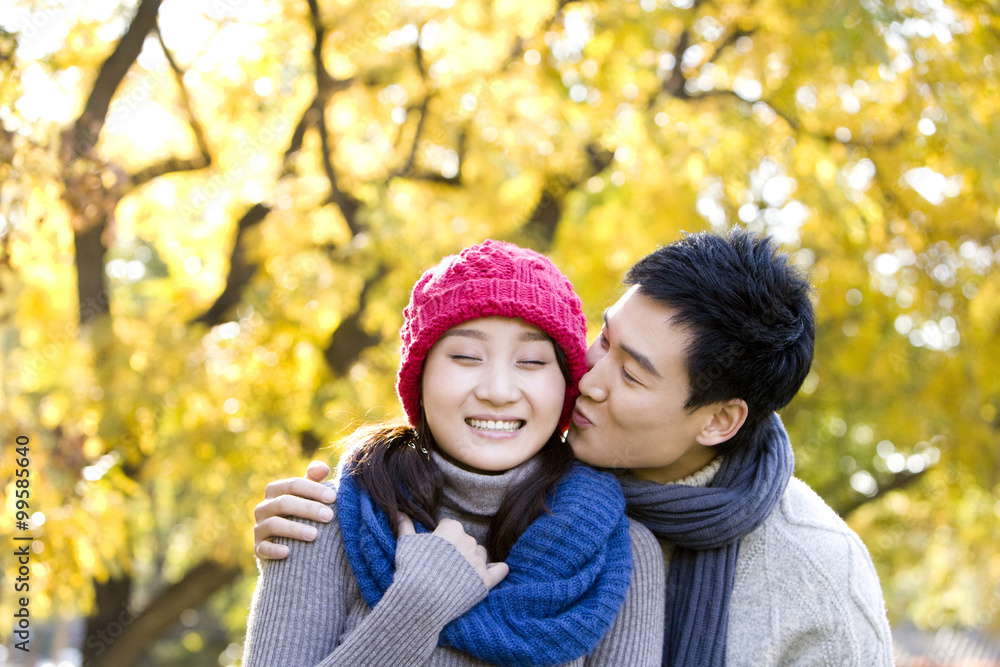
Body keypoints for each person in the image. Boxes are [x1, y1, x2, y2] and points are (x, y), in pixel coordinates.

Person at [253, 229, 895, 666]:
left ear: (718, 421)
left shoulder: (812, 573)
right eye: (603, 340)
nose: (587, 378)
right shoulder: (343, 511)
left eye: (633, 373)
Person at [242, 240, 665, 666]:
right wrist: (414, 610)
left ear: (566, 385)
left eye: (532, 362)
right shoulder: (323, 523)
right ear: (419, 378)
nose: (498, 392)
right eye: (466, 356)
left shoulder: (617, 555)